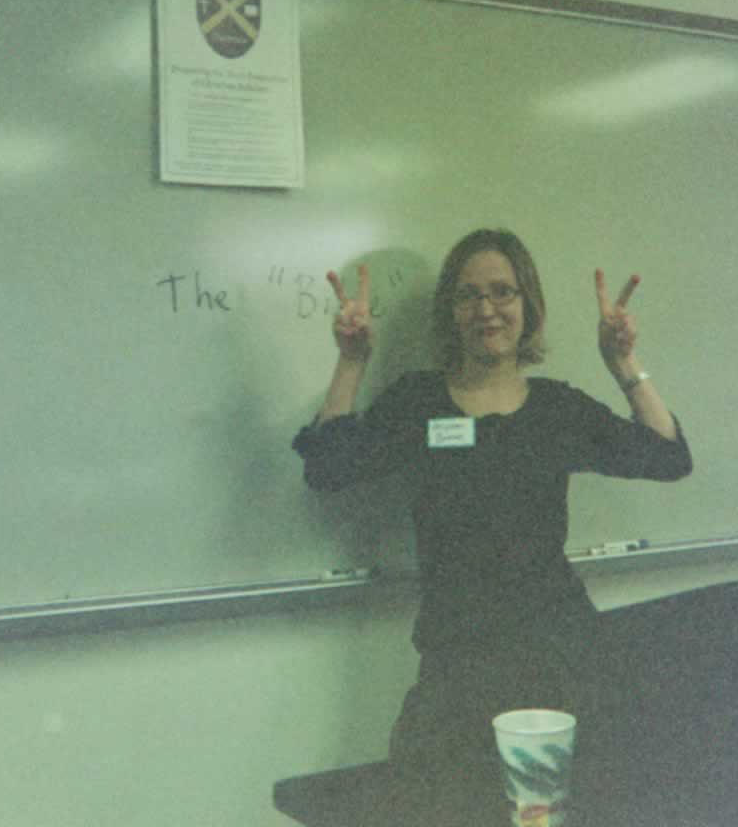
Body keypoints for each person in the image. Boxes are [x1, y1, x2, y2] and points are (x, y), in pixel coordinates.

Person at [292, 228, 693, 811]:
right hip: (457, 667)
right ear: (450, 312)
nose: (487, 309)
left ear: (527, 306)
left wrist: (623, 362)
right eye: (468, 295)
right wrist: (352, 362)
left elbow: (667, 456)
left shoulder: (557, 410)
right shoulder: (417, 404)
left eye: (503, 292)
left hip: (559, 660)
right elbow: (328, 469)